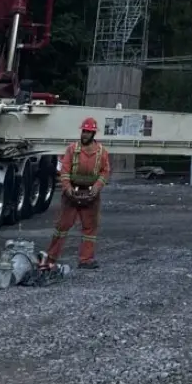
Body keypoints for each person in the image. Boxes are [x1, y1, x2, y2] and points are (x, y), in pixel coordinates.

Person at [46, 116, 111, 270]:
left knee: (90, 228)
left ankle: (86, 260)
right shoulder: (72, 149)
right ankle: (50, 258)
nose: (85, 134)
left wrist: (97, 187)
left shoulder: (101, 152)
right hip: (72, 194)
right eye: (84, 131)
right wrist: (67, 188)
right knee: (62, 226)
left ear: (93, 134)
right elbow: (65, 170)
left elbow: (105, 171)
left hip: (91, 194)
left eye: (88, 132)